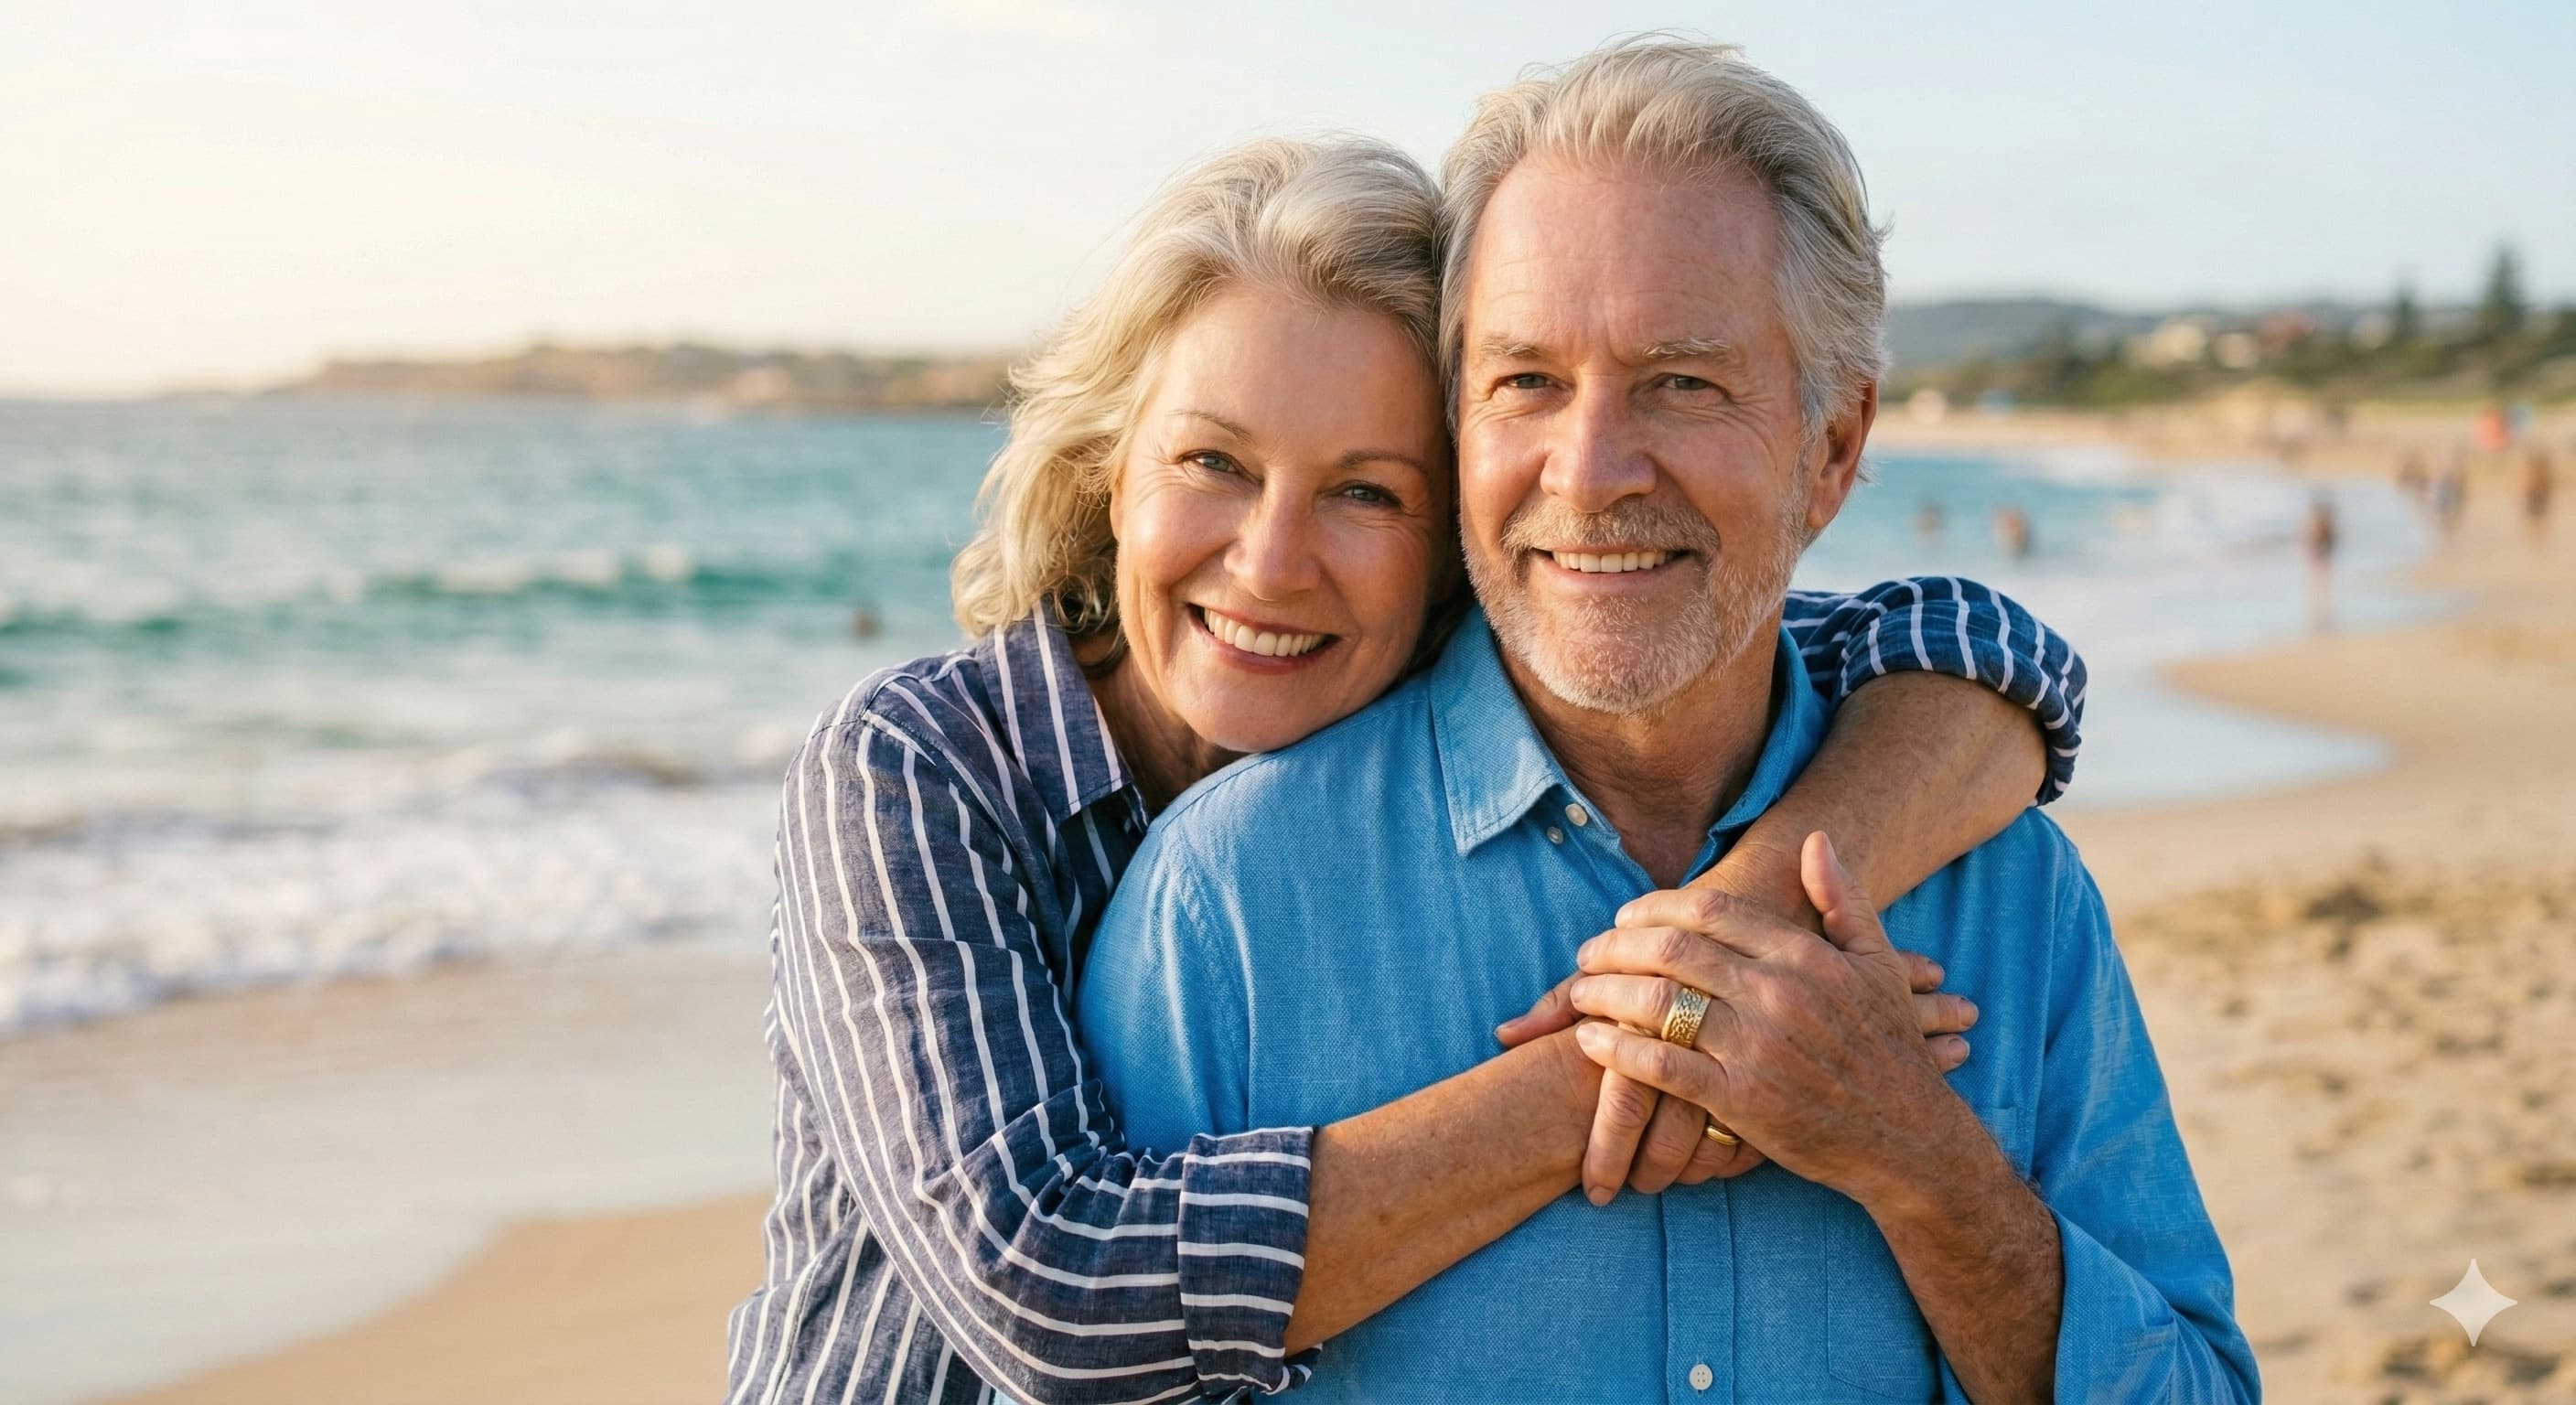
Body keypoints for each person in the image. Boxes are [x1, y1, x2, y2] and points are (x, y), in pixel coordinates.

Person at [724, 139, 2089, 1404]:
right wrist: (1695, 1038)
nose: (1269, 563)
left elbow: (1977, 651)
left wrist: (1754, 913)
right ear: (1107, 472)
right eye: (1213, 461)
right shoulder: (919, 769)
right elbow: (1058, 1295)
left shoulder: (1426, 716)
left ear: (1455, 528)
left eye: (1367, 492)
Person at [1084, 40, 2253, 1402]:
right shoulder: (1223, 908)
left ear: (1832, 448)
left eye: (1683, 383)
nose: (1587, 475)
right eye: (1526, 380)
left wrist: (1919, 1161)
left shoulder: (2011, 895)